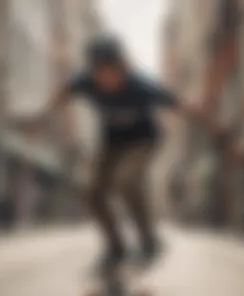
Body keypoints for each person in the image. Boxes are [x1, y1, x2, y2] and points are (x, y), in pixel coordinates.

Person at [31, 35, 223, 273]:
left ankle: (148, 240)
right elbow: (61, 95)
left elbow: (181, 105)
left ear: (122, 67)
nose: (107, 79)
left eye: (112, 72)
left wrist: (213, 125)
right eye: (100, 73)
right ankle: (115, 247)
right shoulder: (84, 82)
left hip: (144, 141)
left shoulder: (141, 86)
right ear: (93, 72)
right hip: (111, 142)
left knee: (127, 181)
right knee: (91, 191)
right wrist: (40, 119)